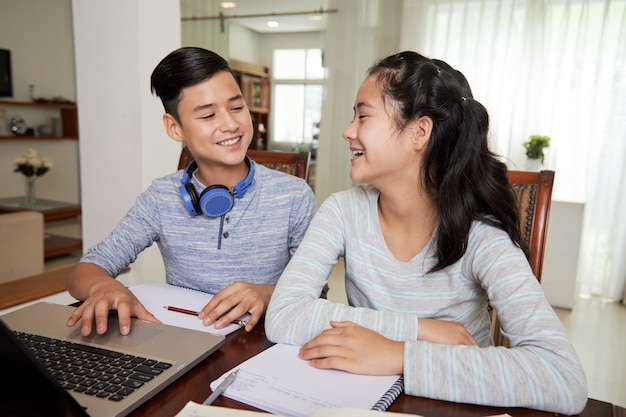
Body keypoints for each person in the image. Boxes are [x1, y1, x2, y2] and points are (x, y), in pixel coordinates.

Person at [265, 51, 587, 414]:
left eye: (363, 115)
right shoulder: (342, 210)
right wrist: (420, 330)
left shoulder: (481, 236)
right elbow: (284, 314)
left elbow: (563, 377)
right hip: (362, 399)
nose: (348, 130)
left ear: (419, 132)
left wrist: (399, 354)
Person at [67, 47, 316, 337]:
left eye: (237, 107)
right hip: (186, 341)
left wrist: (266, 293)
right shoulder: (161, 197)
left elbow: (315, 289)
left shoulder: (294, 195)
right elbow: (85, 270)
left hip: (262, 342)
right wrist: (105, 288)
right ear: (175, 128)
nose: (231, 124)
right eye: (209, 115)